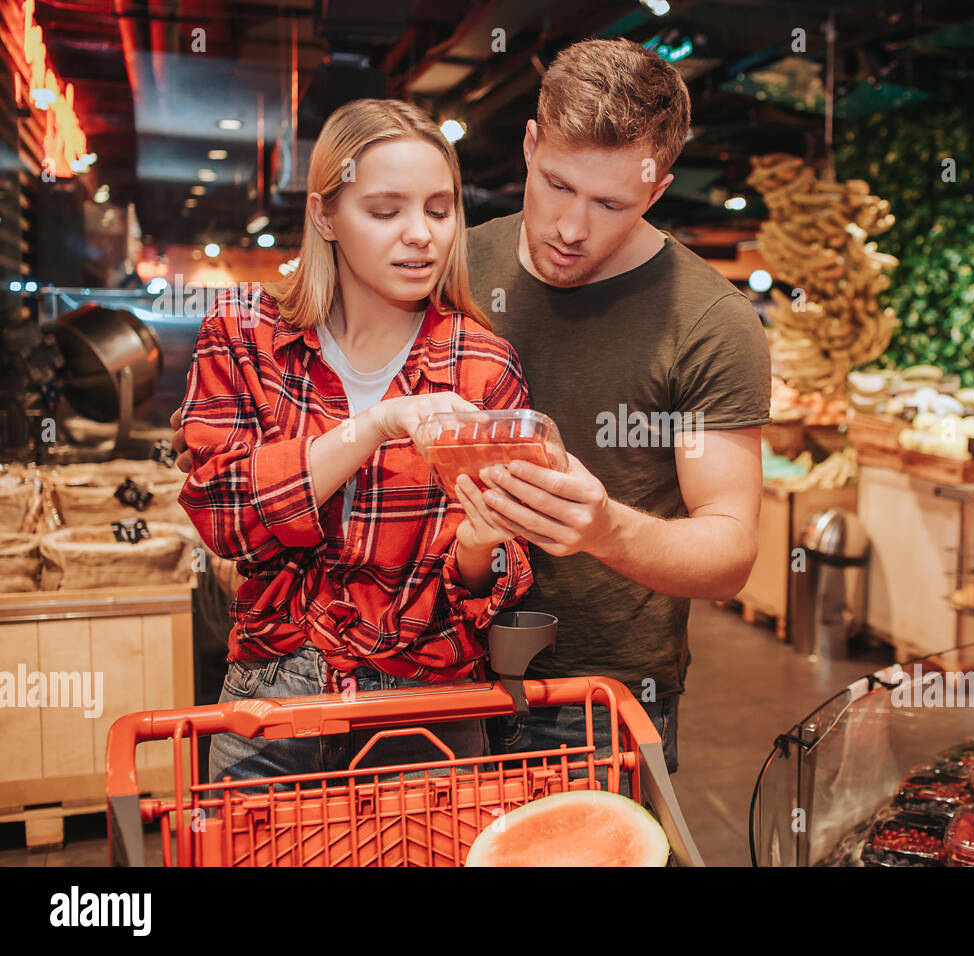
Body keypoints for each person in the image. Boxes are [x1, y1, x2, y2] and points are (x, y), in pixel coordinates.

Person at [173, 39, 770, 776]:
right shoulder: (446, 261)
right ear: (529, 144)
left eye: (610, 202)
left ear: (657, 188)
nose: (571, 227)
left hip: (591, 690)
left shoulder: (710, 321)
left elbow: (730, 550)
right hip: (438, 687)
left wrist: (604, 527)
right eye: (556, 185)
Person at [178, 99, 532, 787]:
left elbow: (492, 584)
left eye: (438, 208)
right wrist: (374, 424)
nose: (420, 235)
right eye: (385, 210)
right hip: (271, 697)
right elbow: (225, 519)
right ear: (324, 215)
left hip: (427, 711)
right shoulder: (246, 337)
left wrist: (480, 545)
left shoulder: (482, 366)